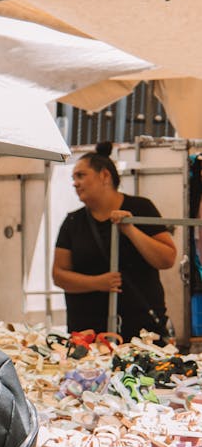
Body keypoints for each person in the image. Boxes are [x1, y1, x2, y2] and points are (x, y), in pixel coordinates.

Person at [53, 141, 176, 341]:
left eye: (81, 175)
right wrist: (98, 282)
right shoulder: (73, 222)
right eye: (73, 177)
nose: (75, 183)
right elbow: (59, 275)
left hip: (141, 333)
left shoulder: (141, 208)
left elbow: (167, 258)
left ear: (105, 176)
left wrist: (130, 229)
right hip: (88, 333)